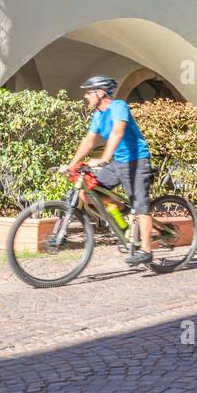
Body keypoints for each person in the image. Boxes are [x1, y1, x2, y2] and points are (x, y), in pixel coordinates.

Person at [65, 76, 156, 265]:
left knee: (140, 205)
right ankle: (123, 215)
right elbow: (88, 141)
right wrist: (72, 164)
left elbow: (117, 132)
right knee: (88, 193)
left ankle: (146, 249)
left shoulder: (119, 106)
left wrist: (104, 159)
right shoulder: (98, 115)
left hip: (137, 160)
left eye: (89, 92)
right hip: (118, 162)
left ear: (101, 92)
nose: (85, 96)